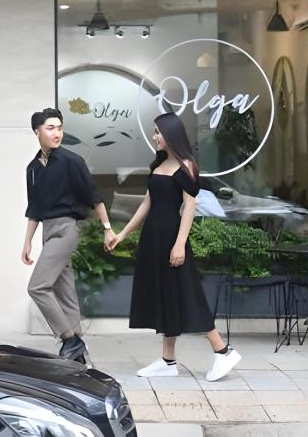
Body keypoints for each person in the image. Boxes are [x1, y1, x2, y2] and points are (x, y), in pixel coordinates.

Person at [107, 112, 241, 382]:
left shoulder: (186, 165)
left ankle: (223, 351)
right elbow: (147, 203)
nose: (154, 136)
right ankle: (168, 360)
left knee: (188, 293)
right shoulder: (159, 164)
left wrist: (179, 244)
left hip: (172, 238)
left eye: (158, 132)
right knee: (167, 295)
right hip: (153, 238)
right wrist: (122, 234)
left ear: (170, 133)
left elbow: (189, 207)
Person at [22, 107, 113, 365]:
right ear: (37, 131)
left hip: (66, 229)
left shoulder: (72, 161)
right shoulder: (32, 169)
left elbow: (94, 196)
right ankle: (80, 361)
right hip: (48, 231)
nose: (57, 133)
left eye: (60, 128)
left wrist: (107, 228)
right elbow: (34, 209)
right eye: (50, 128)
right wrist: (27, 241)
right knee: (65, 293)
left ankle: (70, 340)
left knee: (37, 287)